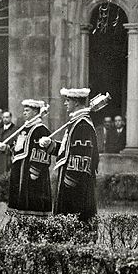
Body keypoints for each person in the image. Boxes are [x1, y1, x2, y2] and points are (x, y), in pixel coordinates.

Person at [39, 87, 99, 222]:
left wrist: (69, 182)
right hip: (69, 179)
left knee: (75, 219)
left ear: (76, 102)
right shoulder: (76, 122)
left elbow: (81, 156)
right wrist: (50, 145)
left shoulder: (83, 125)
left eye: (67, 101)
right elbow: (66, 151)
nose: (65, 104)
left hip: (76, 184)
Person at [0, 99, 52, 215]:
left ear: (36, 112)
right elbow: (18, 148)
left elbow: (43, 152)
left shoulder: (41, 130)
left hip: (32, 171)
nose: (24, 113)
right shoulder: (24, 129)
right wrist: (6, 147)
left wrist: (35, 170)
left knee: (32, 201)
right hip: (20, 168)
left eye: (27, 110)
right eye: (24, 110)